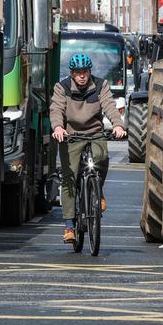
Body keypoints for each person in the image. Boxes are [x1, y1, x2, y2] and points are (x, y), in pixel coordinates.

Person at [51, 53, 127, 243]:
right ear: (72, 73)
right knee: (69, 177)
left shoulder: (100, 85)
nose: (82, 76)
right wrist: (58, 127)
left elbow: (109, 106)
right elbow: (56, 109)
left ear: (89, 72)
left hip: (95, 133)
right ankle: (69, 226)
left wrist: (118, 125)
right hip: (71, 134)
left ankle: (97, 190)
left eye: (85, 72)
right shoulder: (62, 87)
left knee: (101, 158)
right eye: (78, 72)